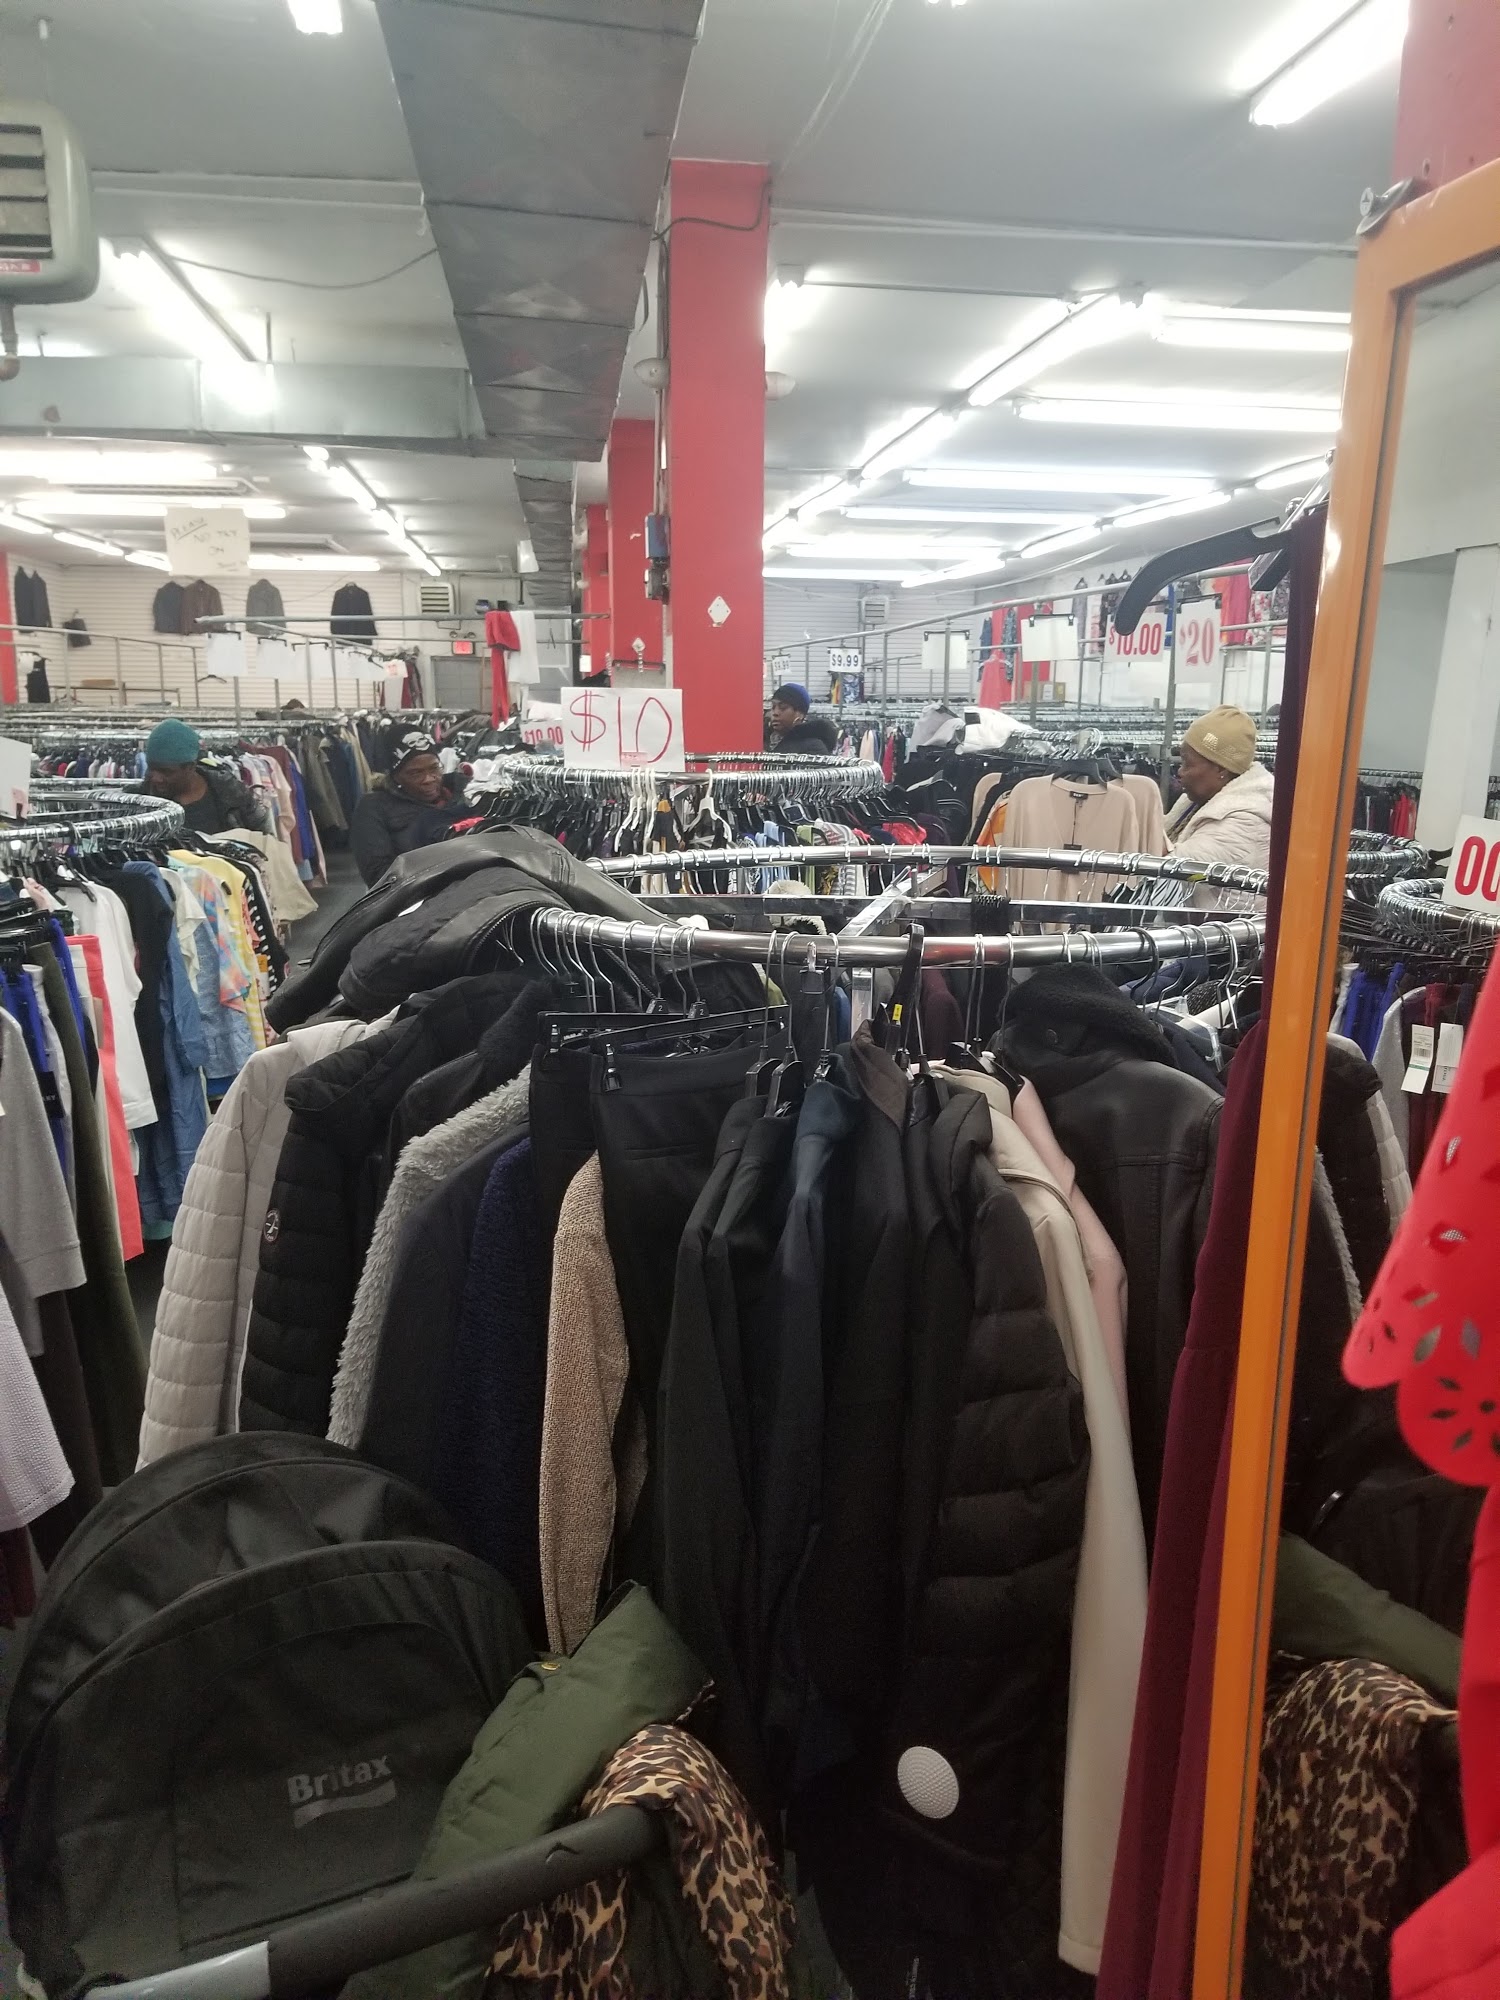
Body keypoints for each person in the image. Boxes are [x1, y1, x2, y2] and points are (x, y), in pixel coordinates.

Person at [1166, 705, 1275, 901]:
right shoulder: (1197, 803)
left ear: (1220, 769)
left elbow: (1172, 871)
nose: (1180, 772)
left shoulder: (1244, 822)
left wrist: (1141, 814)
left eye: (1187, 763)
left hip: (1227, 922)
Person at [350, 729, 469, 886]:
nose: (429, 779)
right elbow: (378, 875)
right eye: (415, 773)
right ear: (395, 775)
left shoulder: (463, 795)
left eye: (434, 768)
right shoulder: (373, 807)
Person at [143, 719, 272, 835]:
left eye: (166, 772)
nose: (155, 778)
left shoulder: (231, 793)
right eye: (151, 768)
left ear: (190, 767)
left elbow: (264, 838)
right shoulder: (142, 799)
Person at [766, 682, 837, 755]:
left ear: (800, 714)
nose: (775, 713)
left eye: (783, 707)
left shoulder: (813, 748)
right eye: (773, 707)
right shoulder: (766, 740)